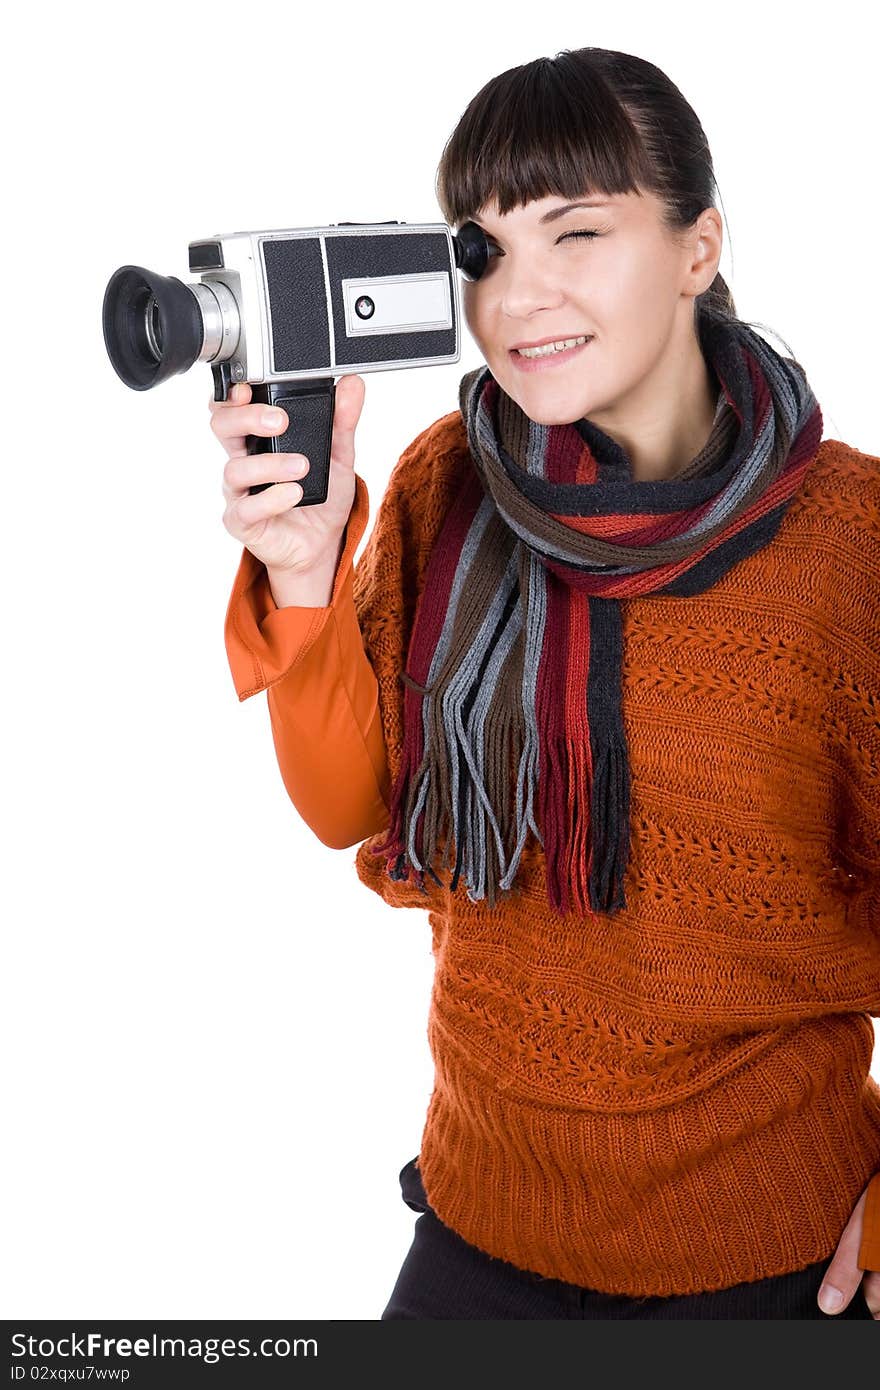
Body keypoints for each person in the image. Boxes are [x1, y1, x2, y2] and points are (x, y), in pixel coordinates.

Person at [215, 47, 880, 1318]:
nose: (520, 295)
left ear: (698, 247)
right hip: (481, 1219)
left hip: (771, 1255)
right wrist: (304, 570)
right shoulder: (444, 487)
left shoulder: (844, 546)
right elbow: (351, 805)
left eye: (576, 232)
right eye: (483, 249)